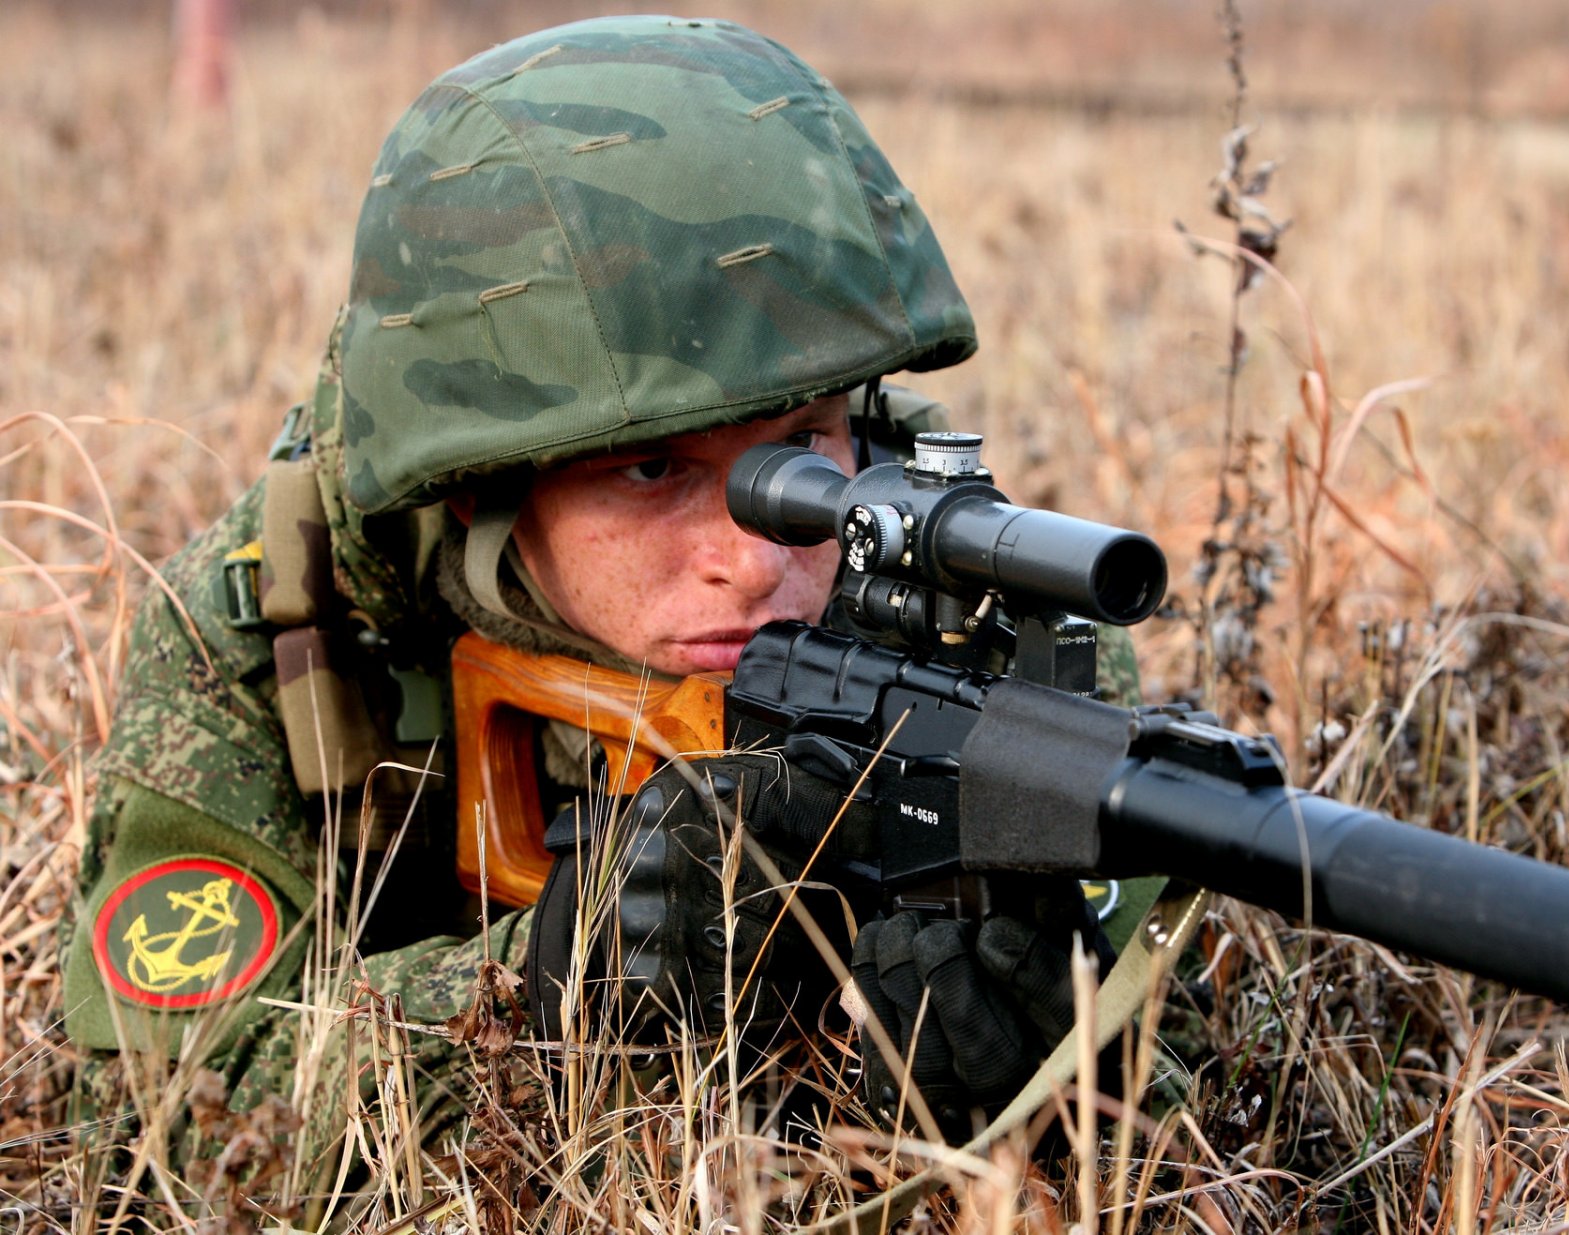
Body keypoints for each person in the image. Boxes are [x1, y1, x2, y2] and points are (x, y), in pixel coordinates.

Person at [63, 15, 1142, 1179]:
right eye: (652, 469)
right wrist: (551, 982)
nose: (752, 554)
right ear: (485, 480)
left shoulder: (962, 592)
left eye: (801, 444)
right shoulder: (277, 621)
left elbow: (1200, 1083)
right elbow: (152, 1113)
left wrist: (1063, 1069)